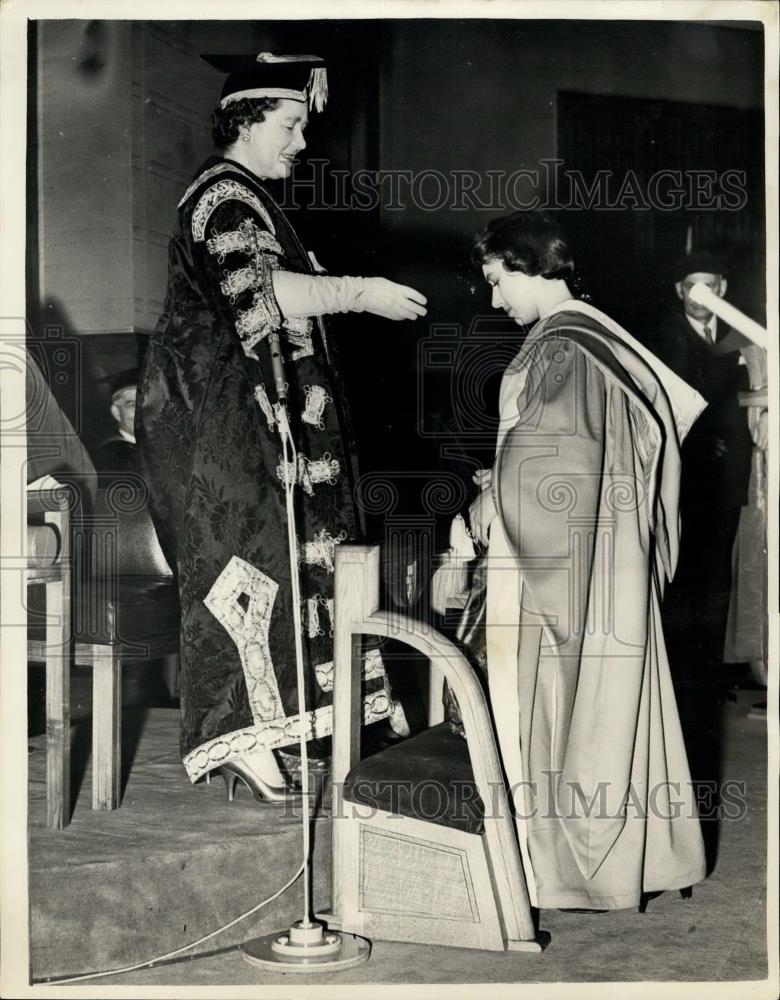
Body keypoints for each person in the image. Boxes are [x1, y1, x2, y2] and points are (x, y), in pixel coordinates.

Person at [136, 53, 425, 802]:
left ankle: (276, 733)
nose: (300, 142)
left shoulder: (248, 196)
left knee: (285, 571)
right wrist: (359, 291)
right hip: (221, 426)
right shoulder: (225, 196)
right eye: (290, 125)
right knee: (248, 572)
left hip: (248, 422)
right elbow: (263, 291)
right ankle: (244, 738)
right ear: (245, 122)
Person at [461, 210, 707, 910]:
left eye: (497, 279)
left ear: (530, 265)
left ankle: (576, 870)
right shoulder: (595, 338)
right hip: (607, 557)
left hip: (574, 569)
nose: (494, 299)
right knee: (618, 699)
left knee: (565, 703)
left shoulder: (563, 346)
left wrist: (487, 502)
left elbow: (553, 466)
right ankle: (643, 858)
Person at [652, 254, 752, 707]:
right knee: (686, 578)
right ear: (679, 291)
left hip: (729, 478)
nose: (699, 295)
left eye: (708, 286)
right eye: (691, 286)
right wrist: (702, 442)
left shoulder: (738, 335)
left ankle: (713, 675)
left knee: (719, 576)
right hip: (688, 480)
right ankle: (683, 681)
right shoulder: (665, 335)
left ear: (722, 290)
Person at [92, 369, 140, 487]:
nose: (141, 412)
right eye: (132, 405)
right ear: (117, 412)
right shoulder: (108, 458)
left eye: (146, 405)